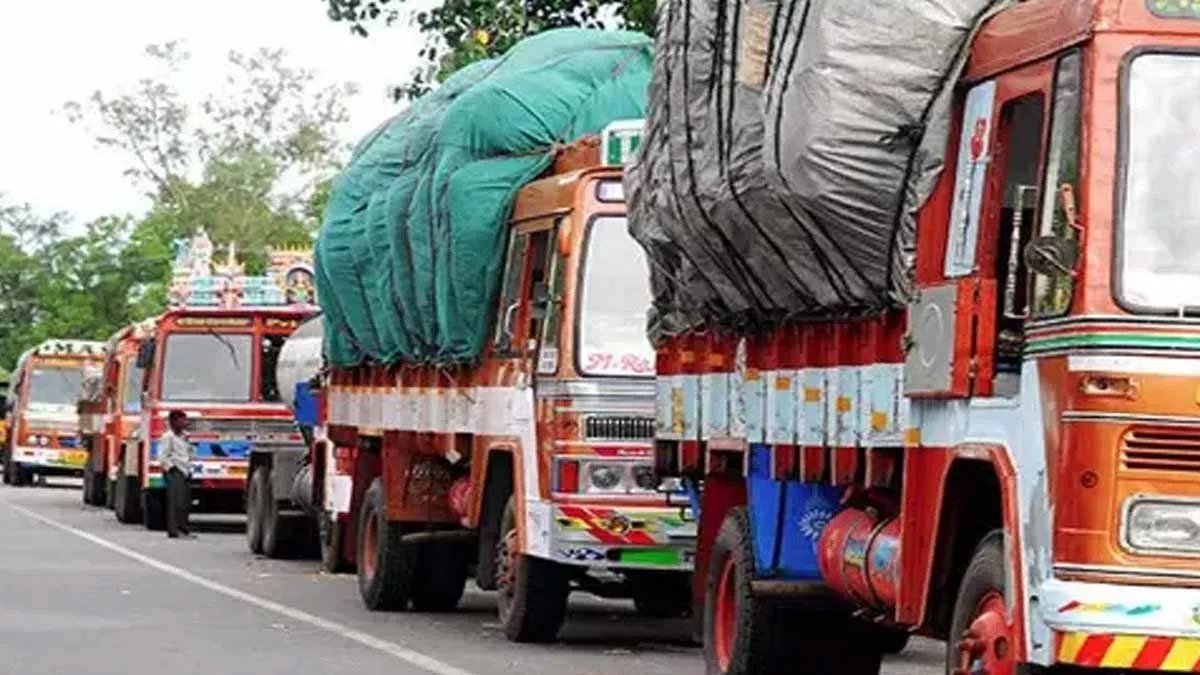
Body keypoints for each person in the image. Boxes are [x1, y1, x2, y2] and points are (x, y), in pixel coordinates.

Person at [160, 410, 195, 539]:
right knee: (175, 503)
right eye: (181, 420)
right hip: (175, 472)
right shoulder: (168, 437)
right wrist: (172, 468)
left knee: (185, 502)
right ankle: (174, 530)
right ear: (173, 422)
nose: (185, 423)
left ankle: (184, 528)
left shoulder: (185, 436)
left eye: (185, 420)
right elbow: (163, 456)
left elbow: (189, 453)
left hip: (185, 471)